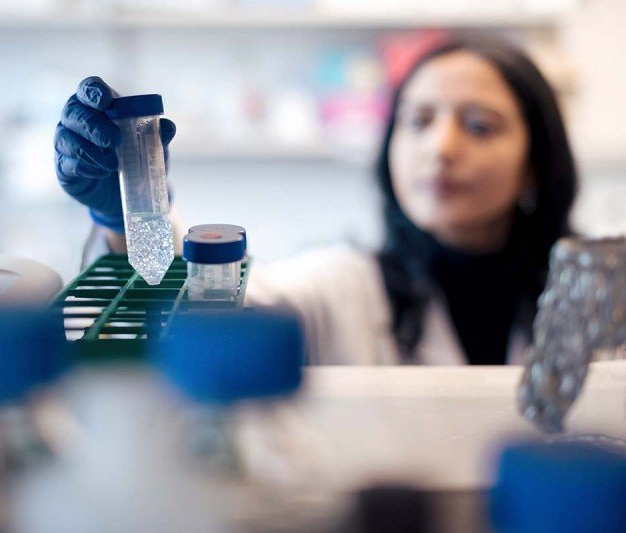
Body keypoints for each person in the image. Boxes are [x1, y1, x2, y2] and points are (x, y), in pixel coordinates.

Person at [54, 36, 577, 365]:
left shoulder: (602, 297)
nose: (440, 148)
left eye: (479, 125)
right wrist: (125, 215)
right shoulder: (342, 288)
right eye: (418, 122)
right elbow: (188, 321)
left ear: (536, 158)